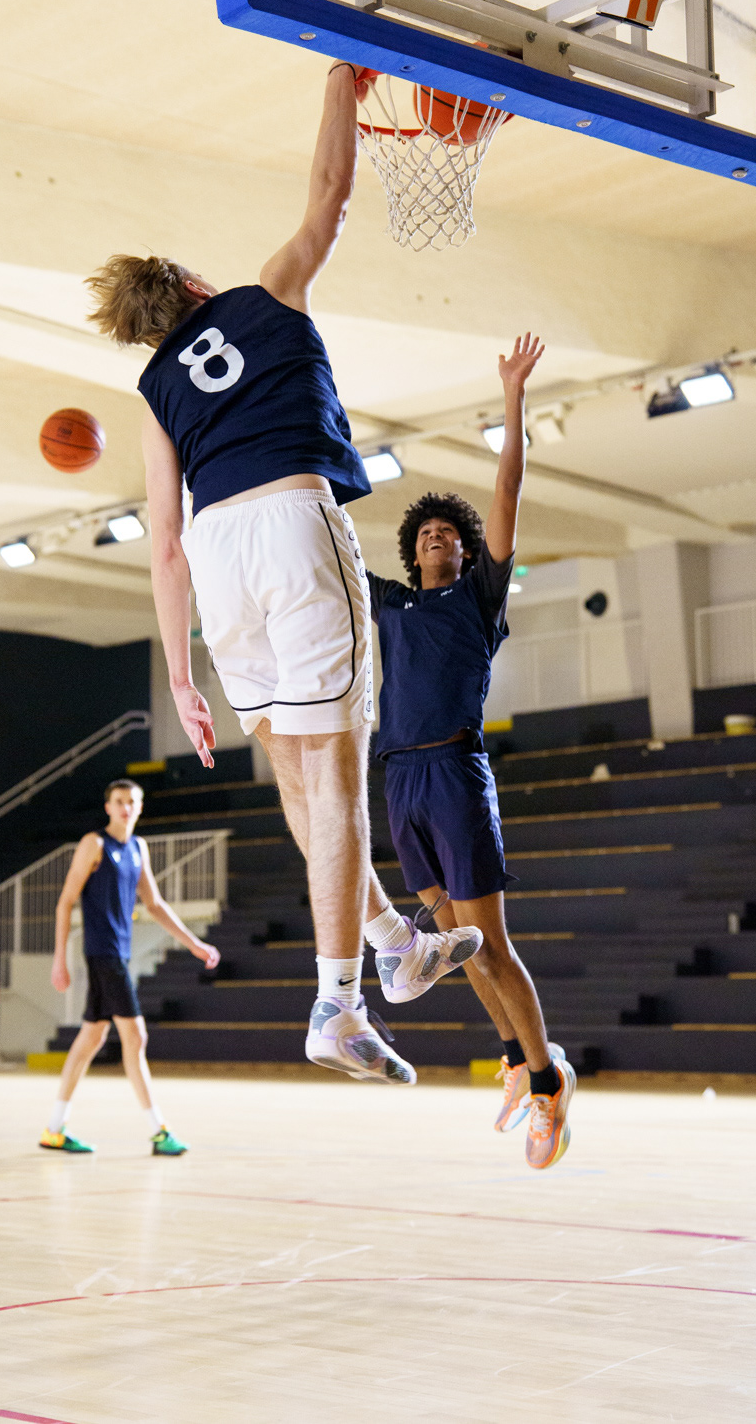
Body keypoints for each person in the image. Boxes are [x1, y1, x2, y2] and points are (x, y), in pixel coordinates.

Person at [86, 62, 480, 1086]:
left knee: (299, 775)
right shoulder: (264, 295)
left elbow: (162, 542)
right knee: (339, 775)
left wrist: (181, 678)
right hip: (292, 524)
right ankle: (338, 1006)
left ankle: (392, 944)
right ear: (193, 285)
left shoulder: (154, 394)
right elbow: (331, 198)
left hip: (218, 560)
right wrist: (341, 87)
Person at [366, 333, 575, 1171]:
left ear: (465, 548)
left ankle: (550, 1081)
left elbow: (508, 487)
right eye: (427, 532)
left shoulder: (479, 598)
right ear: (412, 549)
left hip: (454, 771)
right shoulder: (391, 605)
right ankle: (515, 1059)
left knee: (490, 941)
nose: (437, 538)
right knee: (453, 947)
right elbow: (324, 551)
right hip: (400, 779)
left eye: (450, 532)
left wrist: (513, 398)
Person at [39, 778, 219, 1157]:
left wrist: (195, 944)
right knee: (135, 1037)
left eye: (132, 801)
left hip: (118, 954)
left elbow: (154, 904)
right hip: (102, 952)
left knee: (91, 1038)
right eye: (119, 801)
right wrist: (59, 959)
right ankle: (159, 1131)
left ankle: (54, 1129)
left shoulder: (138, 847)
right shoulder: (94, 844)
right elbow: (65, 902)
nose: (126, 807)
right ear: (108, 807)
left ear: (140, 807)